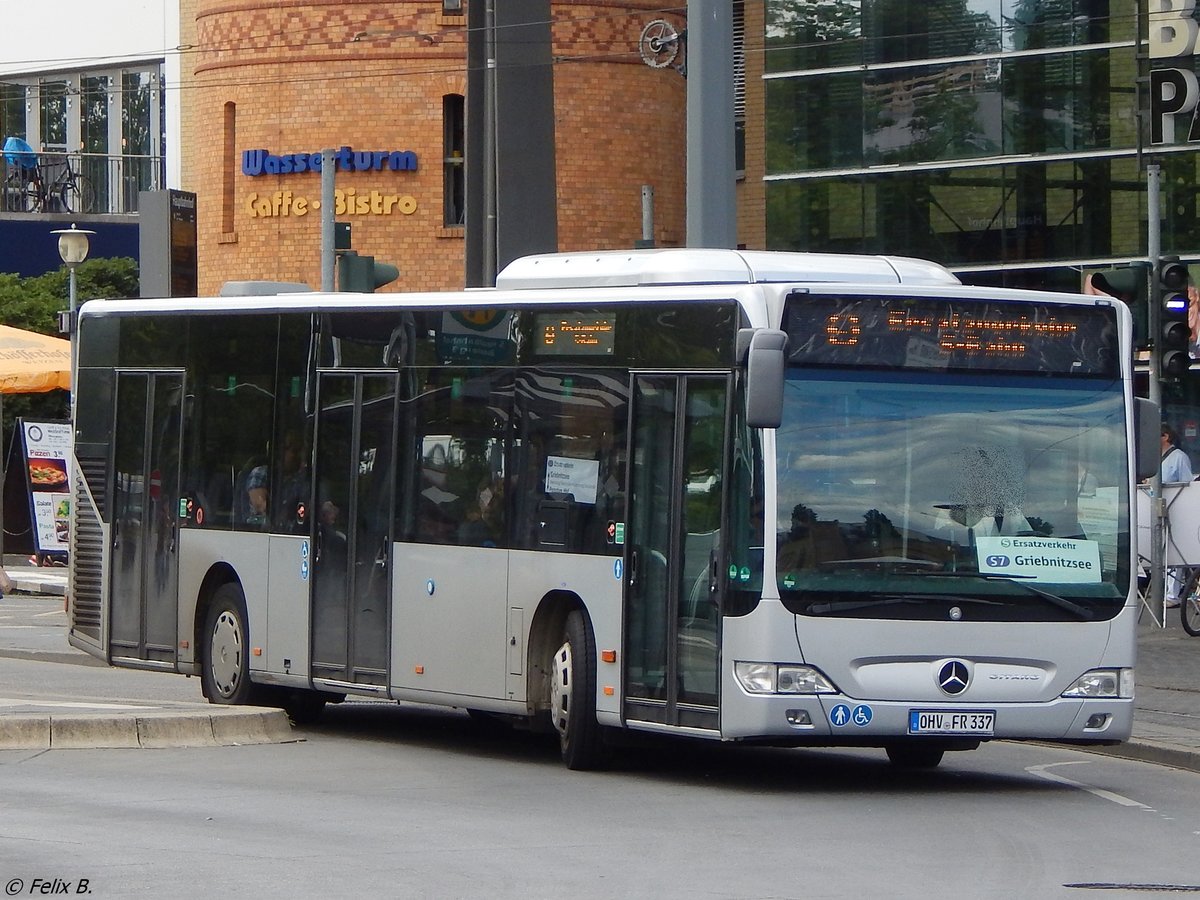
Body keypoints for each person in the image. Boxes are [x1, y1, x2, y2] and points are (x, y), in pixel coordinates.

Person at [1161, 424, 1194, 608]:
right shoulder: (1156, 459)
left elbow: (1187, 485)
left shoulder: (1179, 457)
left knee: (1175, 551)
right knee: (1163, 551)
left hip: (1177, 510)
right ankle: (1165, 590)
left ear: (1165, 437)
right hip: (1161, 510)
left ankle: (1173, 593)